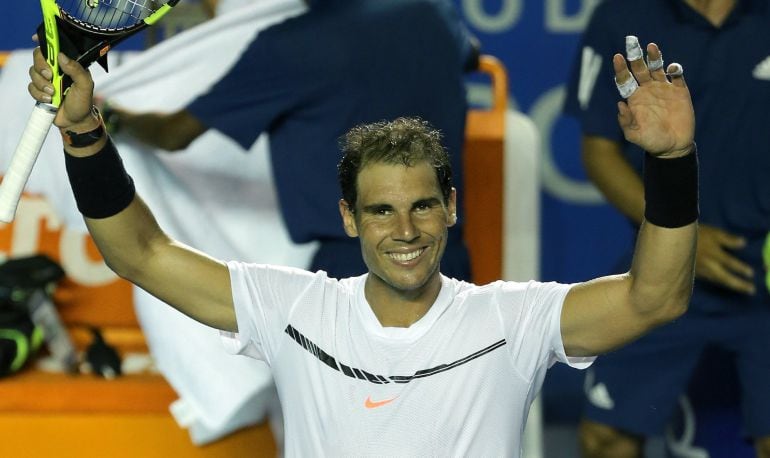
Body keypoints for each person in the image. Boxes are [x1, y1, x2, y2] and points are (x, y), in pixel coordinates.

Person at [29, 34, 697, 455]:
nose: (403, 231)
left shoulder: (510, 321)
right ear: (348, 219)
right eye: (381, 211)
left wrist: (673, 161)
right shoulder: (293, 310)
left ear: (451, 209)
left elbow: (655, 298)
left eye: (421, 207)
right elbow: (137, 253)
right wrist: (85, 133)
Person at [100, 0, 478, 281]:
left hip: (358, 274)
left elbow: (173, 134)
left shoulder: (289, 47)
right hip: (446, 262)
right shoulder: (433, 11)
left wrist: (113, 118)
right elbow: (470, 55)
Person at [563, 0, 770, 456]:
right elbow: (599, 152)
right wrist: (684, 237)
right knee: (605, 440)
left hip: (765, 283)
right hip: (667, 270)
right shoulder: (623, 17)